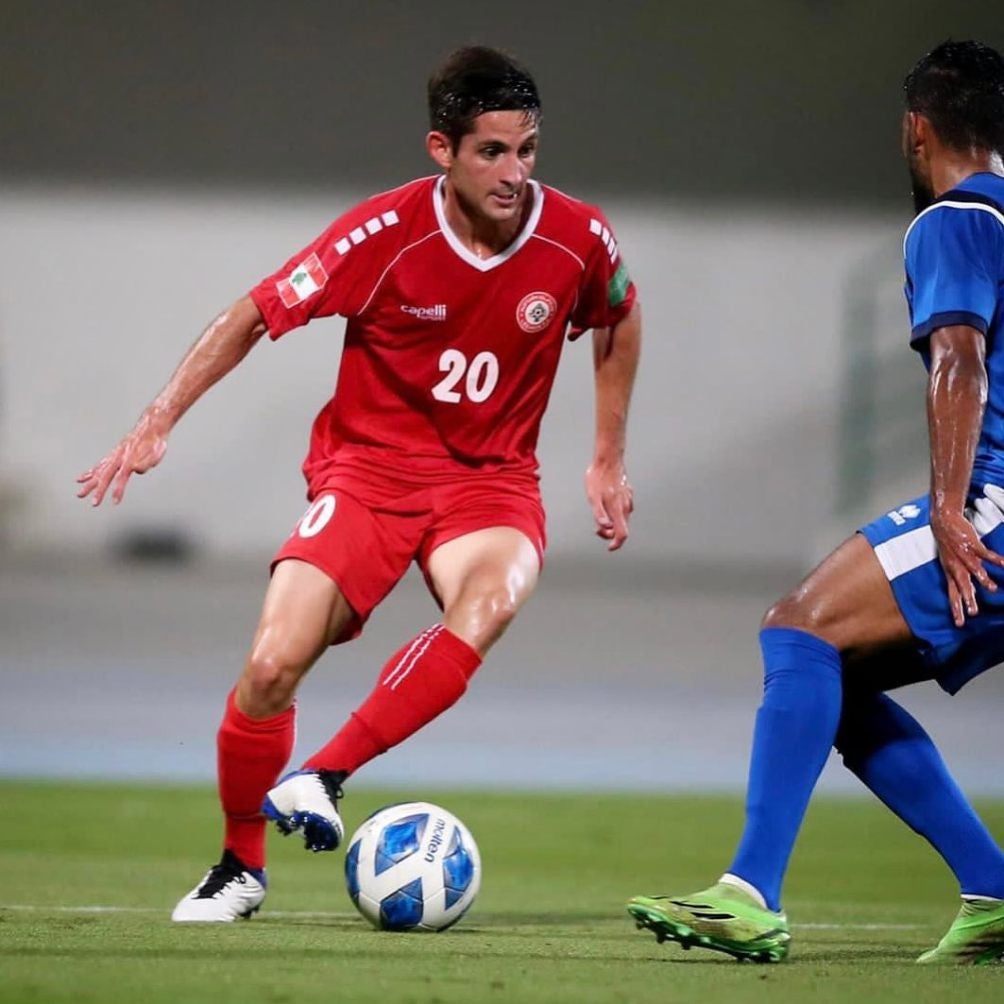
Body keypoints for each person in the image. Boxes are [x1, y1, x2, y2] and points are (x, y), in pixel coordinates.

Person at [78, 45, 640, 922]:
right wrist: (158, 417)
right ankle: (240, 866)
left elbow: (619, 311)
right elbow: (254, 313)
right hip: (370, 475)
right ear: (440, 149)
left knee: (487, 606)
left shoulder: (576, 236)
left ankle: (323, 773)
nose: (515, 173)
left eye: (527, 149)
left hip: (490, 485)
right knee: (270, 666)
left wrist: (606, 454)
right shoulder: (381, 235)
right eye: (492, 151)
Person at [628, 38, 1004, 966]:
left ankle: (751, 893)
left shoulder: (953, 220)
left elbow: (958, 358)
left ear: (917, 129)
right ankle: (994, 890)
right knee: (836, 678)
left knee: (797, 629)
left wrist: (951, 510)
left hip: (993, 508)